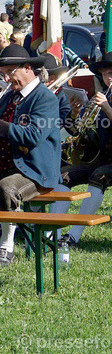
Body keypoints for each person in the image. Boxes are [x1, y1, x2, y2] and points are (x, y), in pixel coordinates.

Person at [0, 44, 61, 266]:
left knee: (7, 188)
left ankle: (7, 246)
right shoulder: (9, 96)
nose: (6, 78)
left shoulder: (45, 98)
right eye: (3, 73)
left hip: (34, 170)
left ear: (27, 68)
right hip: (3, 165)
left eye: (10, 72)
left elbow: (33, 136)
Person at [50, 52, 112, 246]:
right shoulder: (104, 95)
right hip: (102, 156)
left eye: (111, 73)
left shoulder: (105, 100)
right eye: (104, 74)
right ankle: (55, 234)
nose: (108, 78)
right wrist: (75, 112)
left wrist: (107, 108)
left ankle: (74, 236)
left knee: (99, 176)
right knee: (63, 176)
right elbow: (75, 129)